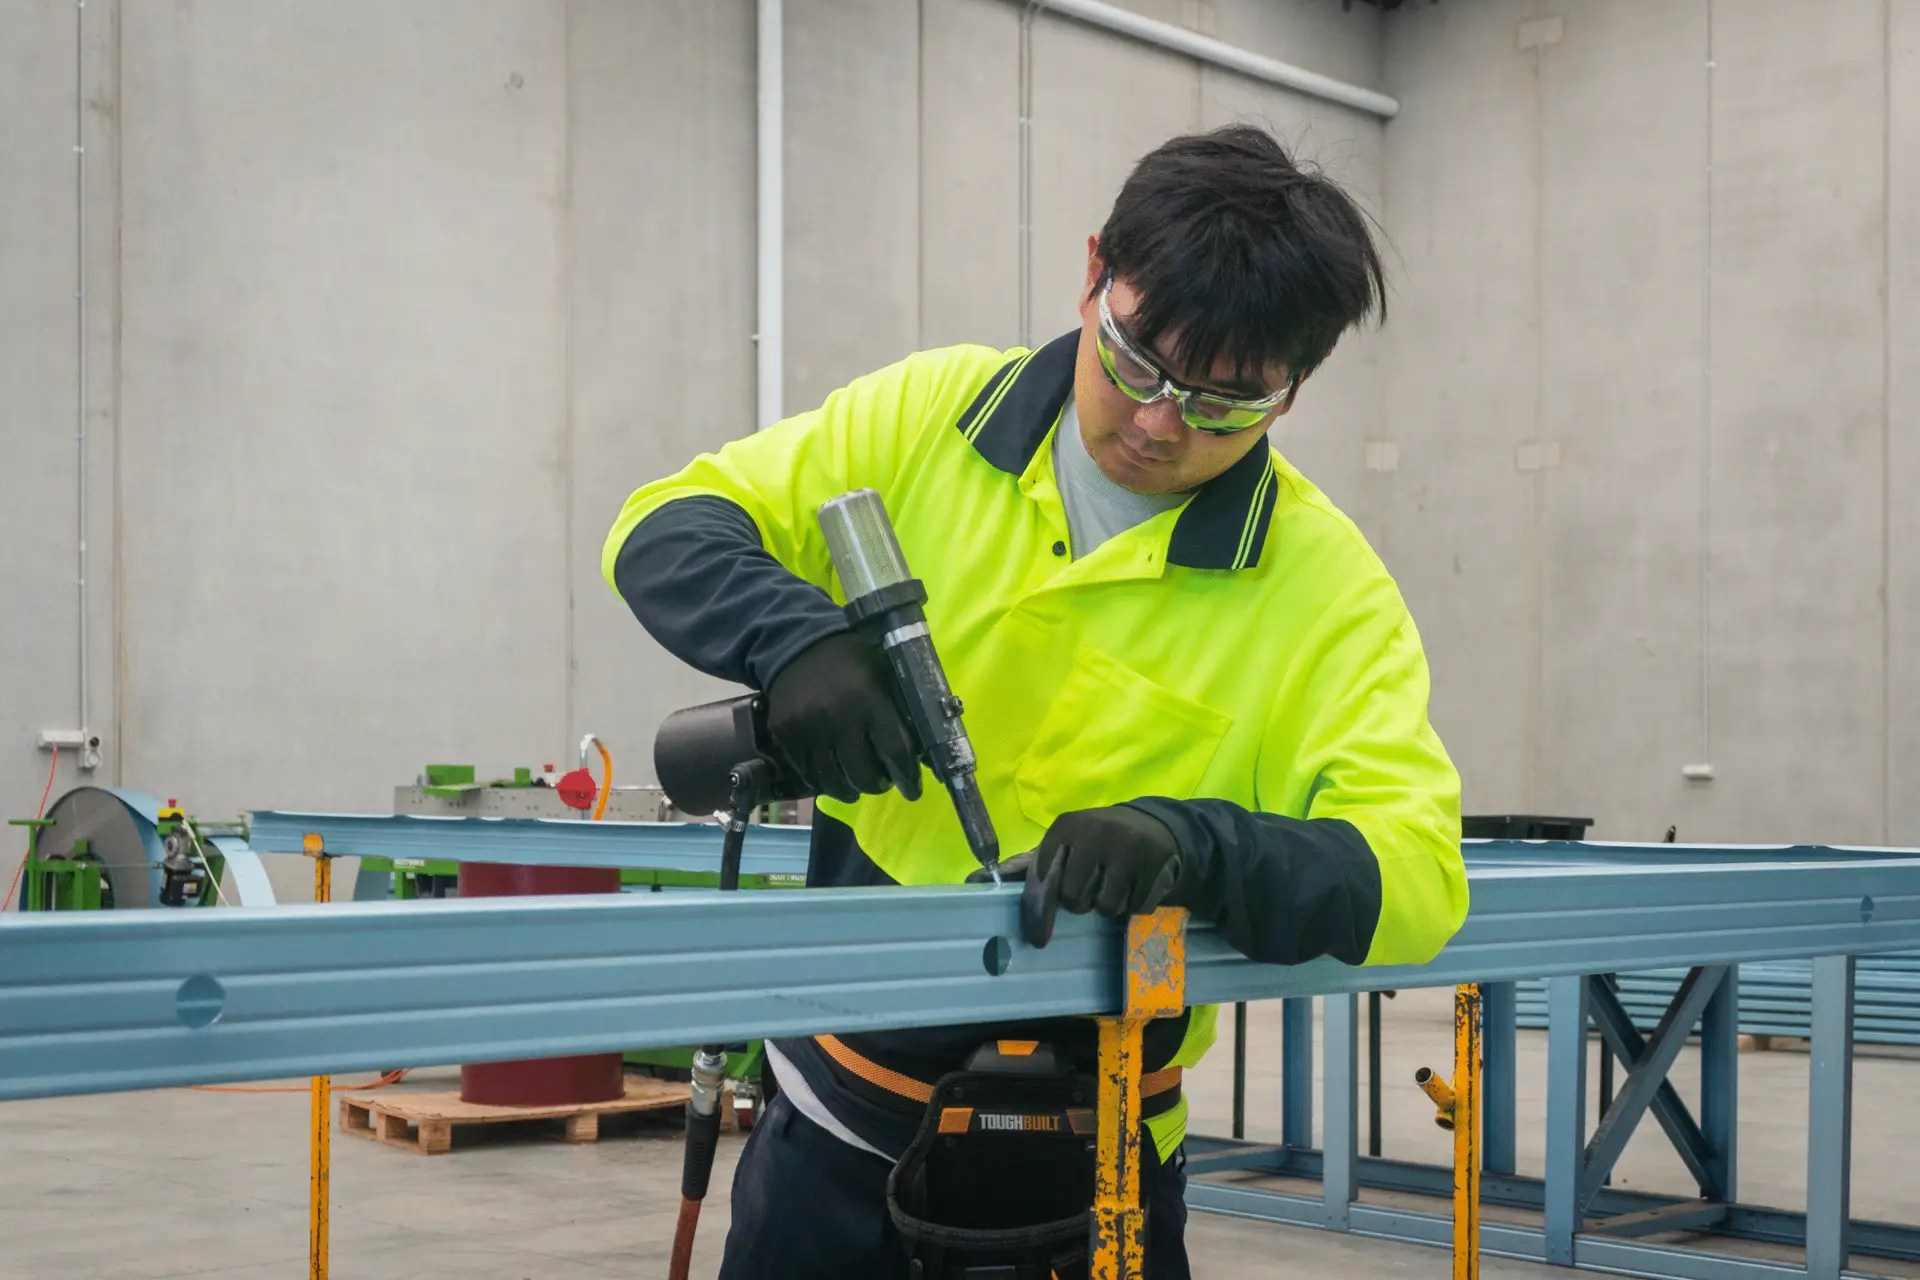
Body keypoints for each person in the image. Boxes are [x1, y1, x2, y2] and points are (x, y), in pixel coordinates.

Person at [603, 124, 1468, 1279]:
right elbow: (665, 522)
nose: (1160, 423)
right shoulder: (930, 417)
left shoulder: (1322, 587)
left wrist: (1195, 845)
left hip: (1102, 1175)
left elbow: (1417, 876)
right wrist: (793, 638)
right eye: (1138, 362)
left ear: (1293, 388)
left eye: (1224, 403)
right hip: (832, 1147)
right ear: (1095, 270)